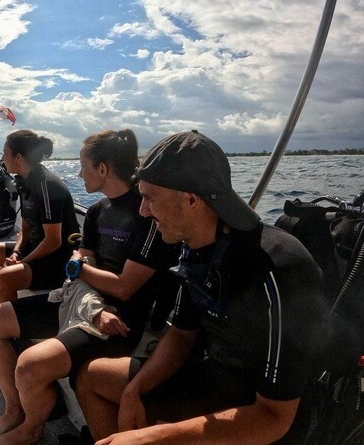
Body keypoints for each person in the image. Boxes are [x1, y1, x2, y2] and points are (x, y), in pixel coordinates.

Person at [76, 130, 326, 445]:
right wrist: (134, 390)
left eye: (150, 197)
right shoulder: (195, 246)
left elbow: (275, 418)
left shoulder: (278, 270)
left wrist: (157, 436)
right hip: (213, 381)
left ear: (191, 199)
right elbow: (181, 335)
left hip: (263, 415)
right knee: (93, 376)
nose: (143, 211)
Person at [0, 129, 178, 443]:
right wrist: (81, 268)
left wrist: (81, 268)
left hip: (116, 320)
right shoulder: (97, 212)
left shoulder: (146, 214)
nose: (79, 173)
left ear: (102, 169)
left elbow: (124, 288)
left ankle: (32, 429)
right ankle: (14, 408)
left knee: (29, 366)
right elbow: (79, 261)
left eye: (84, 166)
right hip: (84, 302)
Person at [0, 129, 80, 347]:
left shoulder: (46, 185)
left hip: (55, 261)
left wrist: (22, 262)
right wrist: (16, 252)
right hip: (34, 250)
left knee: (6, 277)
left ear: (18, 157)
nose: (2, 157)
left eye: (5, 152)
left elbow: (54, 241)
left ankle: (6, 334)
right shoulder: (24, 182)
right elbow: (25, 226)